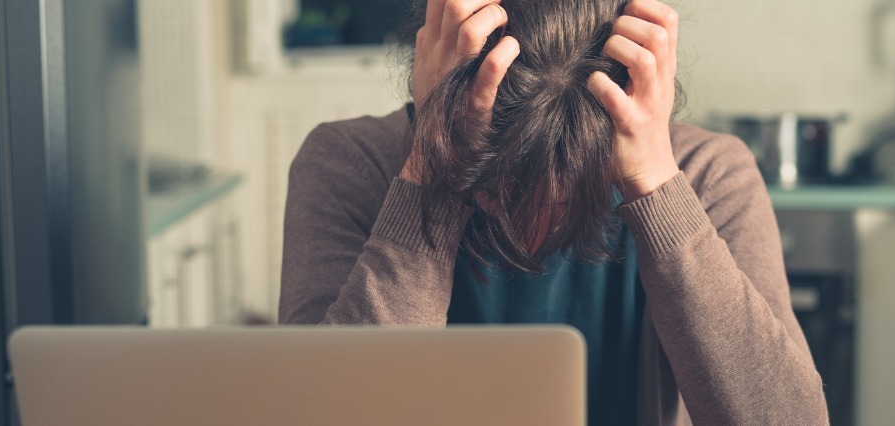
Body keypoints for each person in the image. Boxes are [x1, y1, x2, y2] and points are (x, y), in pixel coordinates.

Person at [279, 0, 829, 424]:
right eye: (499, 183)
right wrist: (434, 165)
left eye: (566, 187)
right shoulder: (347, 163)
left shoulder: (709, 173)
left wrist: (657, 185)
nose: (528, 222)